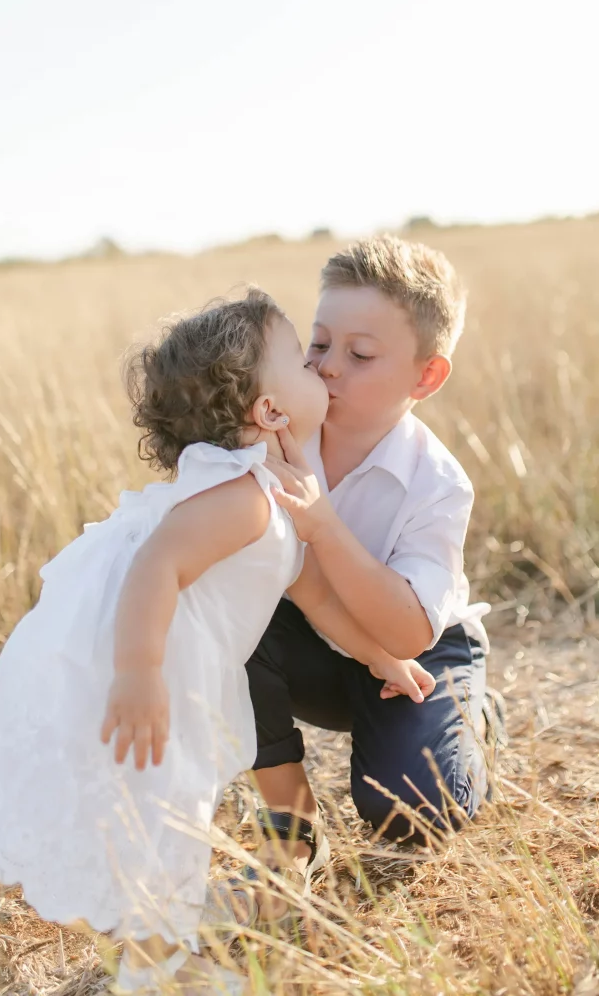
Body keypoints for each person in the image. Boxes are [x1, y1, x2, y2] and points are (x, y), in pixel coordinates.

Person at [0, 288, 436, 995]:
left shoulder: (282, 490)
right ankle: (155, 968)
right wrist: (139, 672)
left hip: (179, 672)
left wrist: (376, 653)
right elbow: (155, 566)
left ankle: (149, 955)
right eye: (300, 360)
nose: (317, 369)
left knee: (168, 816)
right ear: (269, 412)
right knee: (160, 820)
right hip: (141, 670)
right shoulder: (238, 497)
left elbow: (314, 592)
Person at [209, 236, 506, 933]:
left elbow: (405, 630)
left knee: (408, 812)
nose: (327, 367)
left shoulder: (436, 483)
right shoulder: (273, 433)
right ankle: (290, 832)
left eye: (360, 354)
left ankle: (475, 722)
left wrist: (322, 525)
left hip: (418, 655)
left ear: (425, 378)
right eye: (317, 344)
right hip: (308, 643)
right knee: (226, 613)